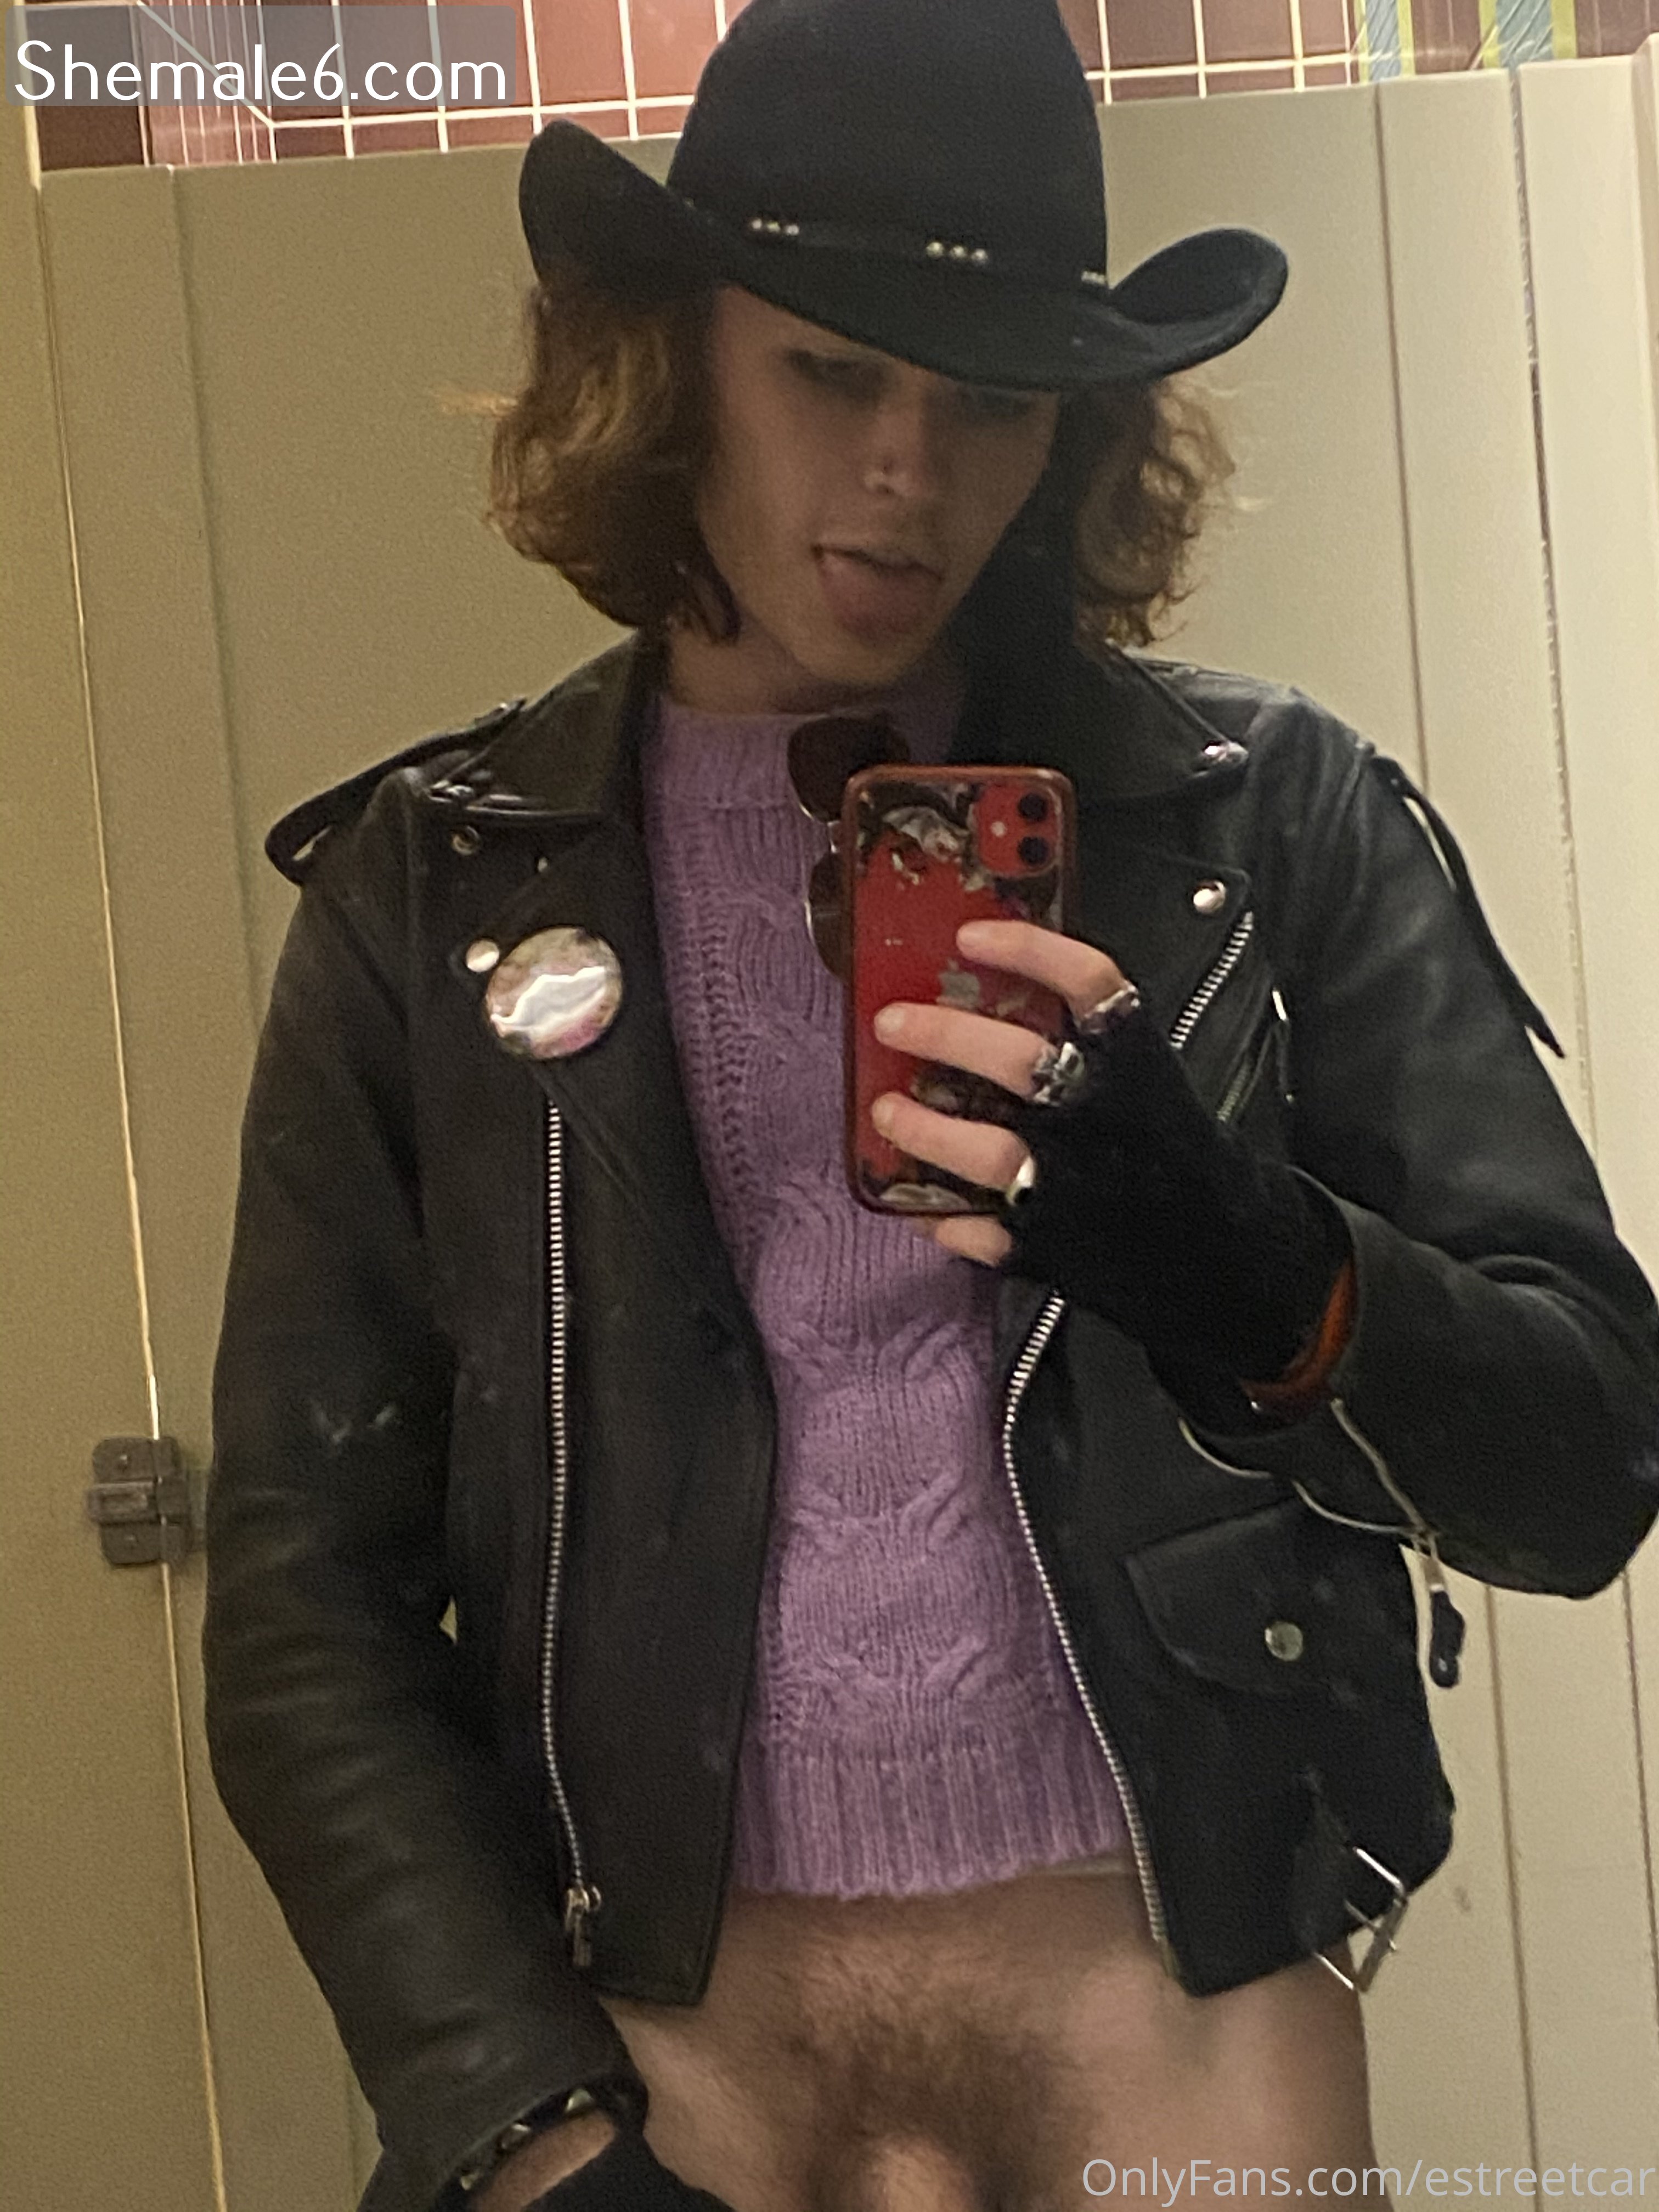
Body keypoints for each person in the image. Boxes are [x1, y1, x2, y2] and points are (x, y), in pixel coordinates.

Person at [201, 1, 1659, 2209]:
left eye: (989, 402)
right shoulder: (432, 891)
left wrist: (1262, 1278)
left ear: (1070, 431)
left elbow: (1587, 1463)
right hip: (656, 2040)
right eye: (830, 373)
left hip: (1174, 2003)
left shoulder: (1271, 822)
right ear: (677, 360)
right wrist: (518, 2121)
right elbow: (305, 1597)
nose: (908, 473)